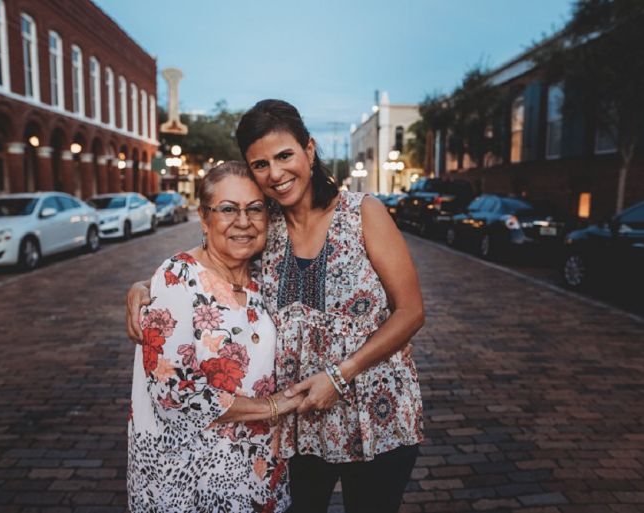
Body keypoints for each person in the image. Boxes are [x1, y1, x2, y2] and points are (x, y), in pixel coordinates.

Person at [127, 99, 425, 513]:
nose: (276, 173)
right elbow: (209, 264)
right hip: (295, 421)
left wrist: (340, 375)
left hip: (376, 411)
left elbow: (411, 311)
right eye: (260, 164)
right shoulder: (265, 226)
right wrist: (148, 285)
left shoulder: (363, 213)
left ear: (310, 149)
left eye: (284, 155)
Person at [127, 161, 302, 513]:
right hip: (190, 480)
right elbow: (173, 393)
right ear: (204, 219)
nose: (243, 221)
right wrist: (274, 406)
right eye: (227, 209)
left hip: (258, 473)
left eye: (255, 209)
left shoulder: (261, 281)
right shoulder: (177, 276)